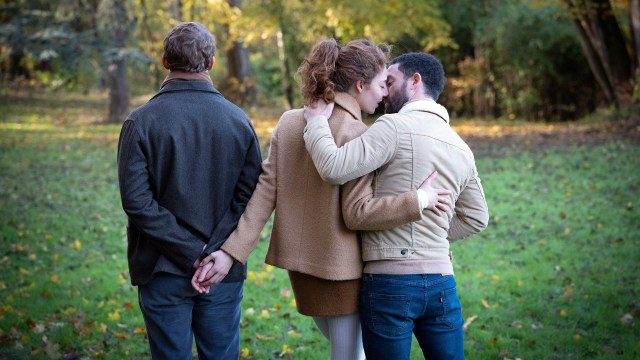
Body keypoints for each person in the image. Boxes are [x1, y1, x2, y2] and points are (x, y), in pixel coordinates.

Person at [191, 40, 451, 360]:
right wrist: (419, 200)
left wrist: (232, 253)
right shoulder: (358, 132)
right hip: (343, 272)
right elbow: (359, 211)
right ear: (359, 85)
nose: (385, 94)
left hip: (300, 271)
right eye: (382, 85)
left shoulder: (289, 122)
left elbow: (264, 193)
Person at [302, 52, 490, 359]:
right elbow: (477, 218)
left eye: (390, 81)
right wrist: (433, 236)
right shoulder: (461, 147)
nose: (385, 92)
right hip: (443, 283)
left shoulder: (393, 127)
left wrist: (317, 125)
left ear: (415, 81)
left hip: (390, 284)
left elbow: (334, 168)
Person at [117, 22, 262, 359]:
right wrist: (215, 254)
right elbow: (250, 198)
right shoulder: (239, 121)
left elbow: (137, 203)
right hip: (220, 268)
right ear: (211, 63)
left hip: (163, 266)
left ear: (165, 61)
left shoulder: (140, 121)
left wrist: (194, 252)